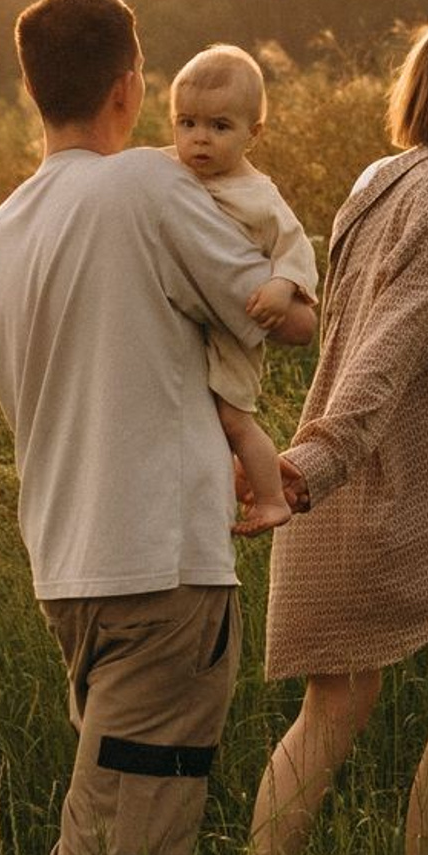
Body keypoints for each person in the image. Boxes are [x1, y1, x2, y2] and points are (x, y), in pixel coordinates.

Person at [0, 0, 314, 855]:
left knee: (128, 836)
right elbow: (279, 315)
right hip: (158, 573)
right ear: (129, 88)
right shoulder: (149, 185)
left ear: (32, 88)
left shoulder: (6, 229)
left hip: (68, 575)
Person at [250, 11, 428, 855]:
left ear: (416, 89)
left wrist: (312, 464)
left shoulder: (376, 181)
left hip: (343, 487)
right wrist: (313, 466)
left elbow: (347, 327)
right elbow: (390, 342)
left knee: (328, 714)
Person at [168, 42, 319, 533]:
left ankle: (272, 499)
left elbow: (296, 251)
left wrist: (282, 284)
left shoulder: (259, 196)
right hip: (200, 319)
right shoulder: (173, 168)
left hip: (240, 328)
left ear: (253, 134)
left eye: (219, 127)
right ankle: (239, 485)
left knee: (233, 418)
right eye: (186, 123)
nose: (199, 140)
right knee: (205, 416)